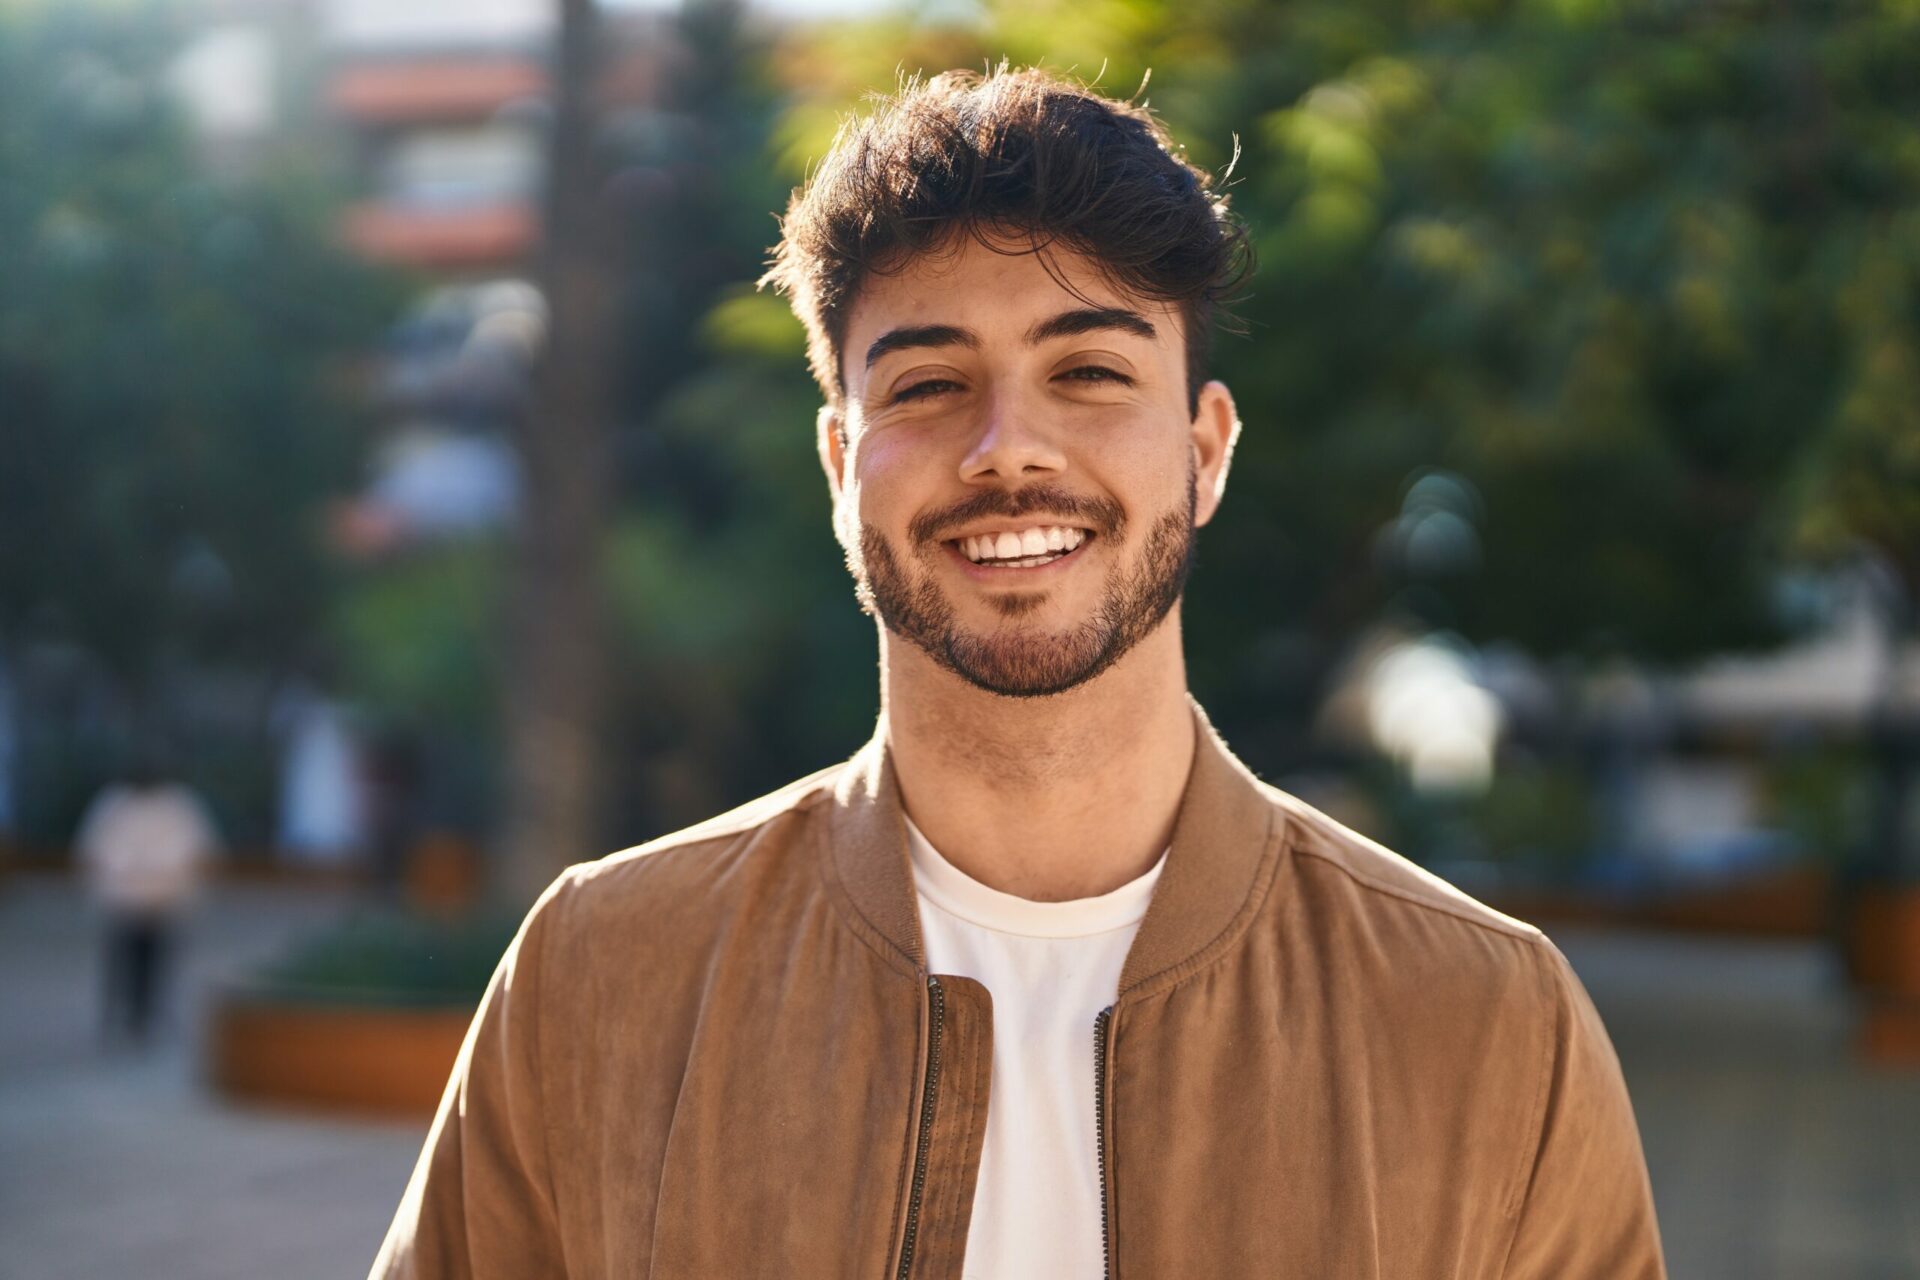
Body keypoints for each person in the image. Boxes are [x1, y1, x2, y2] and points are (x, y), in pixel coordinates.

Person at [373, 66, 1664, 1278]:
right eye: (930, 384)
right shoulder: (602, 973)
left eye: (1089, 371)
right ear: (839, 466)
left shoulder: (1489, 1021)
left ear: (1206, 451)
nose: (1008, 450)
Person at [75, 756, 222, 1046]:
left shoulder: (178, 805)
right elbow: (97, 850)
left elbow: (197, 849)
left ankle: (151, 1012)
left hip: (164, 898)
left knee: (158, 959)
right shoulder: (114, 805)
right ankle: (121, 1012)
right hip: (125, 899)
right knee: (123, 958)